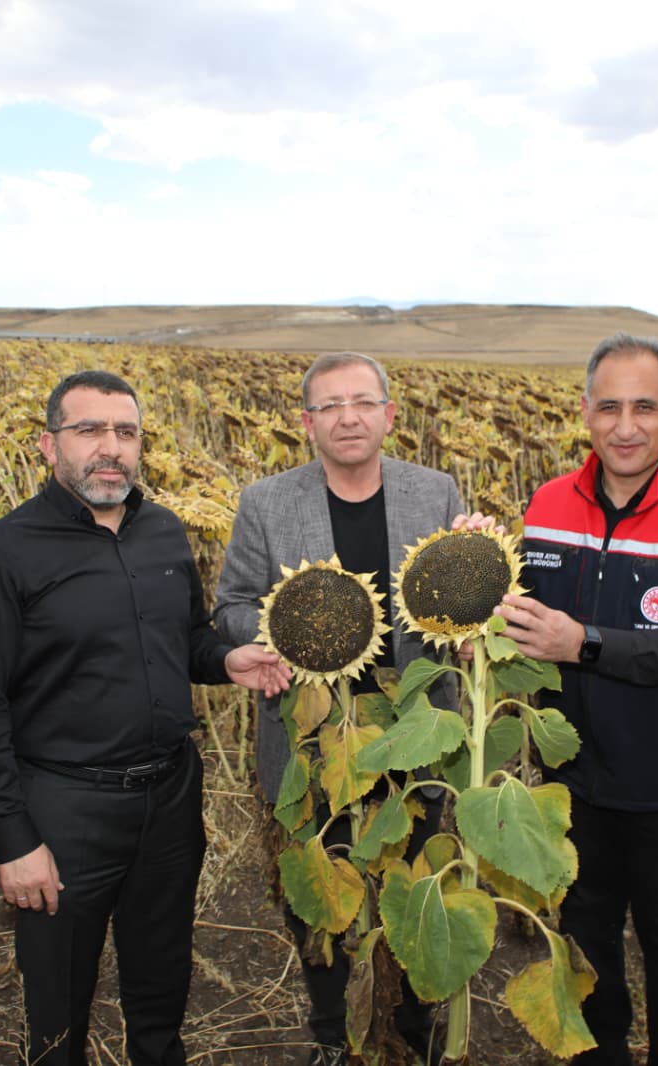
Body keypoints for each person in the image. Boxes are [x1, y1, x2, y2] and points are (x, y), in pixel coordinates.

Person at [0, 369, 289, 1066]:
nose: (111, 448)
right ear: (49, 446)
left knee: (161, 989)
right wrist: (15, 842)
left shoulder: (163, 531)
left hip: (169, 799)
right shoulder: (1, 554)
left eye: (126, 433)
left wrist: (226, 661)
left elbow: (185, 637)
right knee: (57, 1008)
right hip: (65, 810)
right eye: (90, 431)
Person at [495, 333, 658, 1066]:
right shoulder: (549, 504)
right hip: (575, 777)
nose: (625, 425)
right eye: (609, 406)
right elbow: (523, 612)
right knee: (587, 940)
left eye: (644, 406)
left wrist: (582, 642)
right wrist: (480, 579)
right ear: (584, 411)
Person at [213, 351, 467, 1065]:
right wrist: (280, 638)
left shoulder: (435, 493)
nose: (347, 417)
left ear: (389, 414)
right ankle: (332, 1029)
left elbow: (463, 606)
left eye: (361, 402)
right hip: (310, 732)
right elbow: (230, 605)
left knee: (413, 888)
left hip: (413, 730)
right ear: (307, 423)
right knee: (318, 894)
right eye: (329, 406)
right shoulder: (267, 502)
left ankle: (407, 1030)